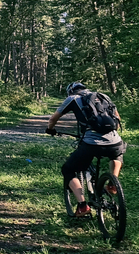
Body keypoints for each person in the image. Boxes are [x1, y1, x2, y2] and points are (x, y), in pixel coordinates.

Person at [45, 82, 126, 218]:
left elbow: (53, 118)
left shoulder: (73, 98)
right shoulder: (103, 96)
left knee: (68, 169)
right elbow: (117, 120)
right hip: (114, 141)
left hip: (91, 143)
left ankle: (82, 206)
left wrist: (50, 129)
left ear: (71, 91)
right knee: (117, 154)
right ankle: (113, 183)